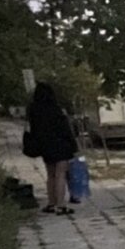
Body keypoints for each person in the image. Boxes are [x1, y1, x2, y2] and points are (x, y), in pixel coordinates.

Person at [26, 82, 77, 215]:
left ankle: (51, 203)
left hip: (45, 146)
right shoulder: (57, 109)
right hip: (61, 145)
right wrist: (73, 146)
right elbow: (66, 129)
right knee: (61, 174)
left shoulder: (33, 110)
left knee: (50, 175)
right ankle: (61, 205)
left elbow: (31, 129)